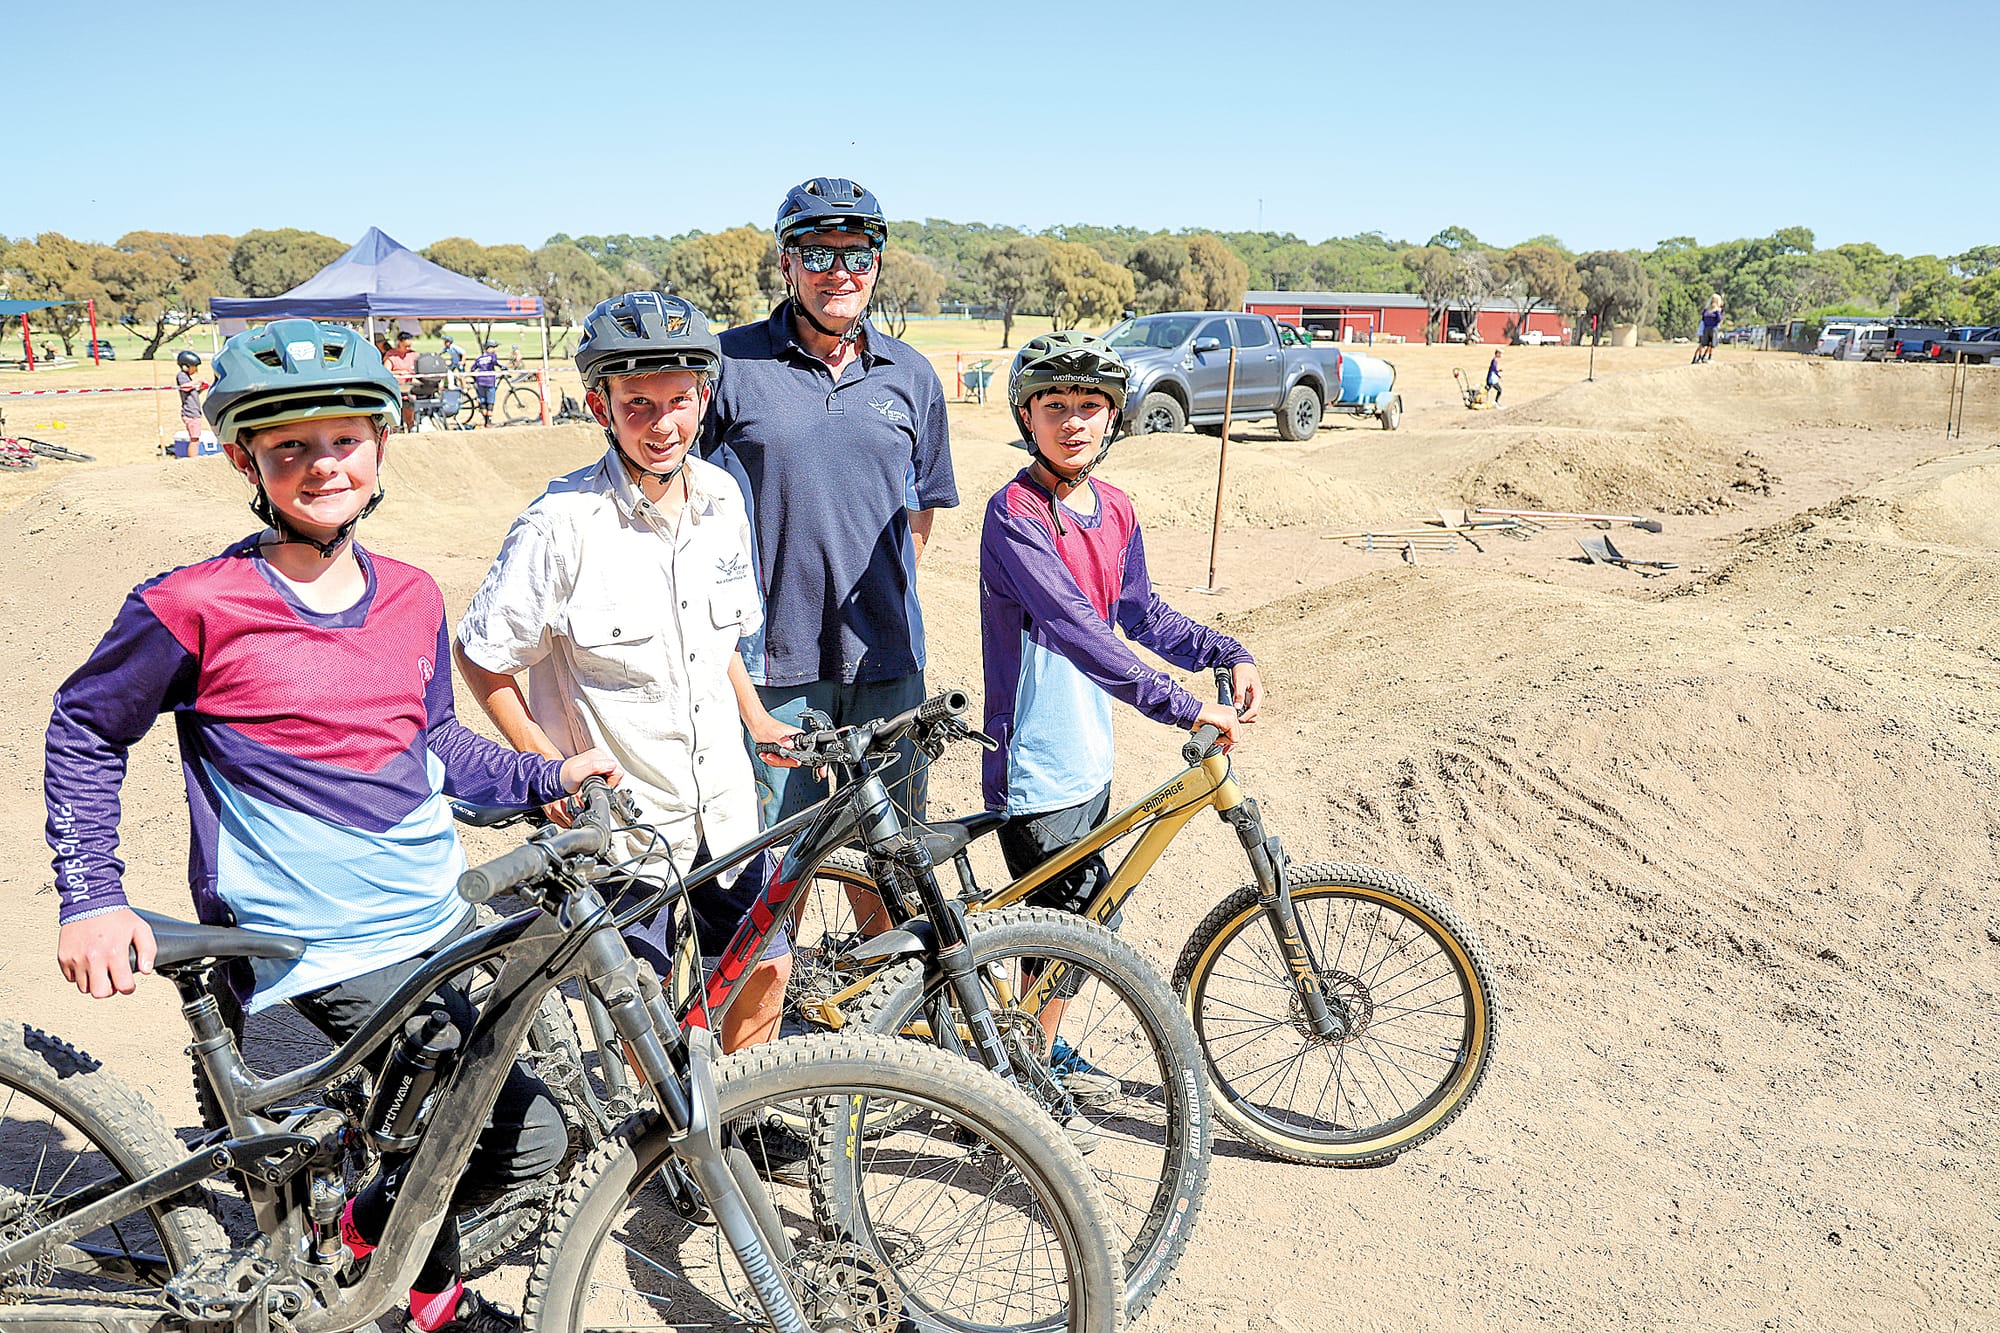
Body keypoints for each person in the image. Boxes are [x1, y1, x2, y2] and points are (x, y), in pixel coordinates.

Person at [44, 317, 622, 1333]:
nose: (322, 464)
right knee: (501, 1134)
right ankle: (405, 1287)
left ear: (381, 442)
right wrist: (91, 897)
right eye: (289, 447)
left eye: (342, 439)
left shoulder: (405, 594)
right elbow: (84, 729)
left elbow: (437, 743)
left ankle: (368, 1259)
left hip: (432, 920)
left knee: (459, 1126)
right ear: (245, 459)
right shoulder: (194, 603)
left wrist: (546, 774)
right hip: (313, 947)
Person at [454, 293, 796, 1052]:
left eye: (679, 400)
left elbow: (723, 640)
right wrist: (550, 771)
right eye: (638, 403)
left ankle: (738, 1122)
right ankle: (657, 1161)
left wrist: (758, 719)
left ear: (704, 396)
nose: (664, 423)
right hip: (626, 826)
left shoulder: (722, 498)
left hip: (726, 808)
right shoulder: (561, 524)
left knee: (761, 970)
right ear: (599, 404)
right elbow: (481, 656)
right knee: (635, 1016)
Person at [979, 332, 1263, 1000]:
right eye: (1054, 405)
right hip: (1035, 763)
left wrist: (1228, 651)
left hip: (1089, 758)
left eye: (1089, 404)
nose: (1072, 421)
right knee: (1067, 933)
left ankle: (1033, 1051)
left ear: (1113, 415)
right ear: (1028, 415)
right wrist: (1186, 705)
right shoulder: (1015, 514)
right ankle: (1030, 1077)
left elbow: (1141, 615)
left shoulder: (1116, 508)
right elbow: (1079, 631)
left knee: (1072, 927)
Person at [703, 177, 957, 824]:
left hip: (888, 660)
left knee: (895, 864)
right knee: (775, 870)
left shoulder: (913, 375)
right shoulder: (727, 364)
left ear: (877, 264)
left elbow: (920, 508)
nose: (837, 272)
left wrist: (872, 593)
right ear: (787, 262)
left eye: (856, 254)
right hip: (773, 666)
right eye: (817, 253)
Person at [382, 330, 421, 430]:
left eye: (409, 346)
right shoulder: (391, 355)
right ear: (399, 343)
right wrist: (399, 372)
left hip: (409, 389)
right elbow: (386, 371)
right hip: (395, 389)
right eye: (406, 346)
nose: (408, 349)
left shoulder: (414, 355)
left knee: (409, 413)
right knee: (395, 418)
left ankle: (410, 429)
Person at [174, 349, 205, 446]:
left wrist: (201, 389)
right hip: (190, 413)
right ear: (186, 366)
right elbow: (184, 387)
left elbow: (191, 393)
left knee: (195, 438)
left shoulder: (187, 377)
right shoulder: (182, 376)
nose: (196, 370)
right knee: (194, 439)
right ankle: (193, 459)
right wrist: (198, 380)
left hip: (194, 412)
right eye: (194, 367)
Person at [472, 340, 501, 427]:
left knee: (483, 401)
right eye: (494, 347)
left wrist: (475, 379)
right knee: (490, 401)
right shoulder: (492, 356)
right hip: (490, 381)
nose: (495, 349)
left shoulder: (479, 358)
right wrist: (503, 367)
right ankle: (488, 422)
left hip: (480, 381)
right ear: (489, 348)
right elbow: (495, 362)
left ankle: (485, 421)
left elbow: (472, 369)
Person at [1696, 294, 1724, 364]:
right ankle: (1709, 358)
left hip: (1706, 328)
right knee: (1712, 344)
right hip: (1713, 328)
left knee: (1703, 344)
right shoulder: (1717, 310)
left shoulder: (1706, 310)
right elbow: (1719, 319)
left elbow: (1703, 318)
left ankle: (1699, 358)